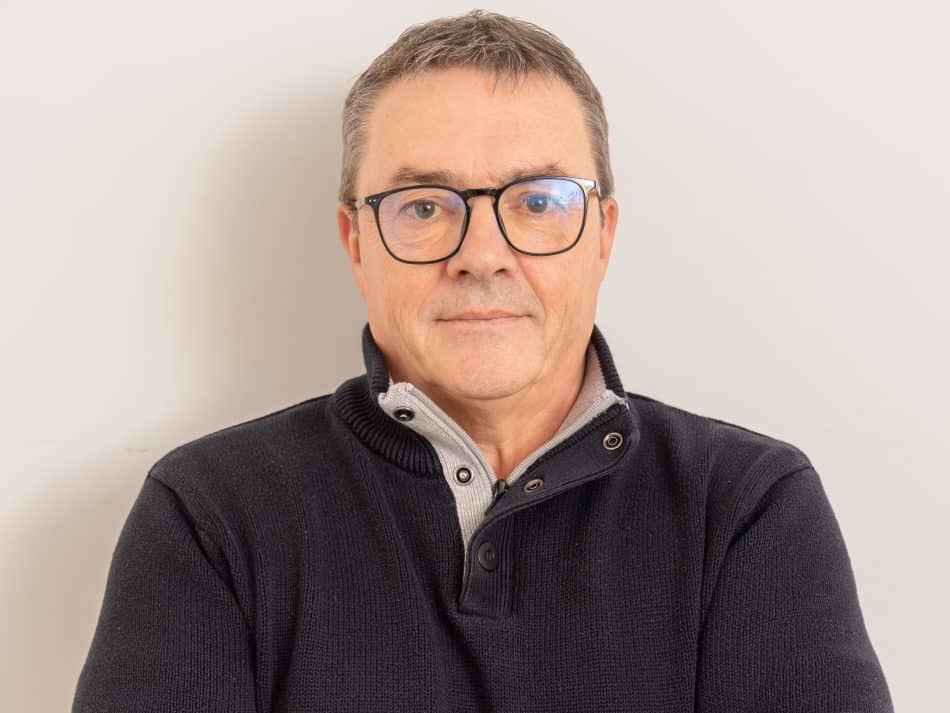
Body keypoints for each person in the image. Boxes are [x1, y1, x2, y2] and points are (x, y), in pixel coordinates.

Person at [71, 10, 894, 713]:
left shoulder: (748, 508)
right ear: (356, 241)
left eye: (537, 201)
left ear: (602, 235)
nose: (481, 254)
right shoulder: (209, 517)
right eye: (424, 206)